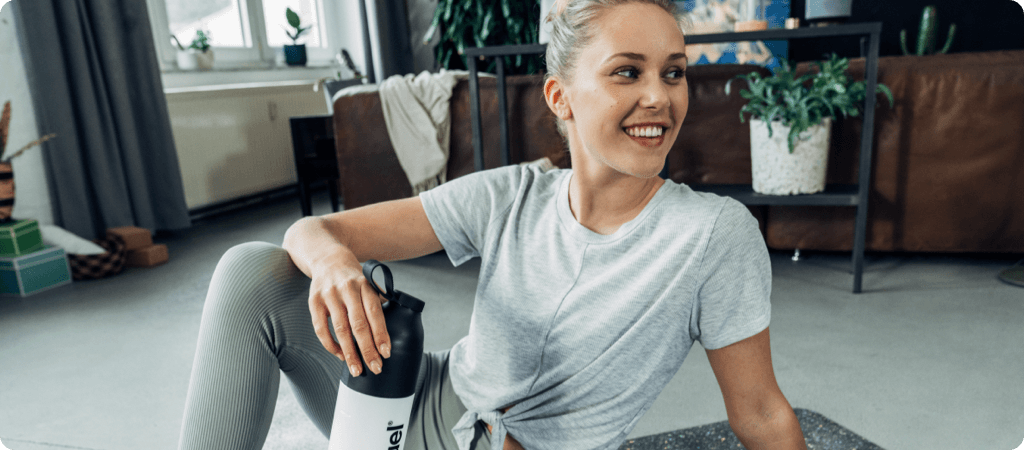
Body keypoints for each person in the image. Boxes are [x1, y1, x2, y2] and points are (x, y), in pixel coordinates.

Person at [177, 0, 809, 449]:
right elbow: (310, 233)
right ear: (561, 96)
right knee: (250, 271)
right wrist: (337, 264)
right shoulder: (511, 194)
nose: (660, 96)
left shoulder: (713, 234)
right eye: (627, 71)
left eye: (673, 72)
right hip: (413, 402)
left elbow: (758, 412)